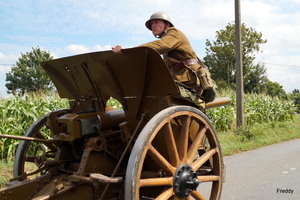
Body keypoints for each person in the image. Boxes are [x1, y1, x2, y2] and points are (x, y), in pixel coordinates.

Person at [112, 12, 210, 109]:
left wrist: (129, 51)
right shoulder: (168, 40)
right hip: (180, 78)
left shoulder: (174, 33)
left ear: (167, 25)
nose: (153, 26)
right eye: (151, 24)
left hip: (188, 78)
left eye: (156, 22)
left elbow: (160, 45)